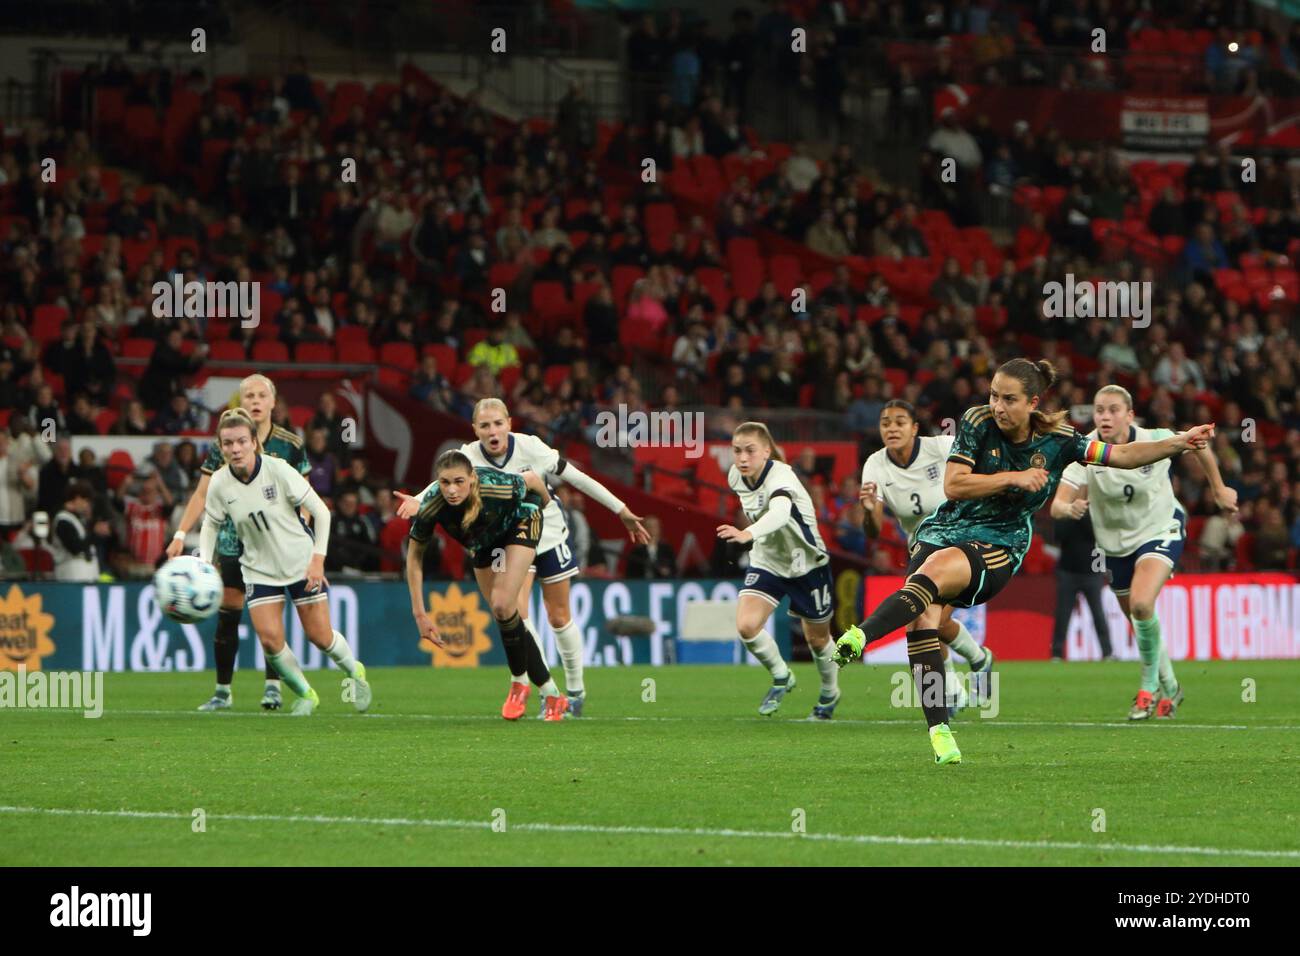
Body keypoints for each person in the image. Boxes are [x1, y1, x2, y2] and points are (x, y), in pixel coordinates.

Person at [834, 359, 1215, 765]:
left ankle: (861, 635)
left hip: (1000, 542)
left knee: (935, 573)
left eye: (1009, 399)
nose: (998, 405)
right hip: (943, 528)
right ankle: (940, 730)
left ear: (1032, 402)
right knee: (922, 620)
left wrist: (1179, 441)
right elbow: (954, 485)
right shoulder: (977, 421)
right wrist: (1012, 478)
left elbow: (1120, 454)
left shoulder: (1061, 440)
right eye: (994, 395)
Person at [398, 398, 650, 717]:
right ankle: (543, 691)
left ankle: (575, 692)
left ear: (509, 423)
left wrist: (621, 510)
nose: (492, 431)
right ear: (475, 430)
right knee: (515, 612)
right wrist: (418, 500)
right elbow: (446, 482)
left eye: (498, 423)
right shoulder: (468, 456)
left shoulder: (532, 447)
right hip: (507, 534)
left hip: (547, 524)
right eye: (485, 425)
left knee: (558, 616)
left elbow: (575, 477)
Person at [1051, 384, 1237, 719]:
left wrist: (1219, 488)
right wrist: (1069, 509)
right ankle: (1171, 686)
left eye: (1113, 410)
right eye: (1099, 410)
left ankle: (1147, 688)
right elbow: (1058, 504)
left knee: (1140, 603)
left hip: (1160, 528)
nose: (1105, 416)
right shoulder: (1084, 449)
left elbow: (1198, 444)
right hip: (1115, 545)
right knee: (1141, 620)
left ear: (1130, 414)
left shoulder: (1154, 438)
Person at [199, 408, 370, 716]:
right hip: (258, 568)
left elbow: (321, 512)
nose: (234, 449)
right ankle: (306, 693)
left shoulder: (278, 470)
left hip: (300, 561)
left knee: (320, 636)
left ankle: (355, 672)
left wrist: (317, 559)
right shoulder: (219, 483)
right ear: (220, 446)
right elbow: (211, 523)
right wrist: (205, 561)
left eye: (240, 441)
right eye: (227, 443)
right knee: (269, 640)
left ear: (254, 441)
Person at [166, 374, 311, 712]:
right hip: (232, 542)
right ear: (240, 403)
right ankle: (222, 692)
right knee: (228, 614)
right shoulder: (226, 444)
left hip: (275, 546)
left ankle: (273, 687)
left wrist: (302, 537)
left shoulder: (290, 443)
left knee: (270, 620)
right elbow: (202, 493)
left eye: (262, 395)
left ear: (273, 402)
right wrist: (179, 534)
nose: (255, 401)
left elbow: (306, 498)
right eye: (248, 396)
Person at [404, 450, 570, 721]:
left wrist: (548, 506)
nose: (452, 490)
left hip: (521, 520)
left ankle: (519, 683)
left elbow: (531, 480)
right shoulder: (433, 505)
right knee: (505, 615)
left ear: (472, 478)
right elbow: (414, 558)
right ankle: (552, 694)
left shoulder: (496, 485)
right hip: (485, 543)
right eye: (445, 482)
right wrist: (419, 614)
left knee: (504, 604)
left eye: (459, 481)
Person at [859, 400, 993, 716]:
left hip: (962, 542)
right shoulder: (875, 465)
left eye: (899, 422)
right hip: (922, 549)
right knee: (931, 621)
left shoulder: (942, 447)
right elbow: (873, 531)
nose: (891, 428)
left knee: (930, 619)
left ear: (915, 427)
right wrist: (868, 512)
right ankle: (972, 668)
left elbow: (980, 474)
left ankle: (954, 688)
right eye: (885, 423)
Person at [716, 422, 843, 719]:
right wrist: (755, 539)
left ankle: (829, 692)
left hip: (807, 562)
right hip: (768, 560)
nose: (742, 458)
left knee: (818, 640)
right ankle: (782, 675)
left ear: (766, 451)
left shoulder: (781, 476)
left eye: (750, 451)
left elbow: (780, 513)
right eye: (737, 451)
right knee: (747, 626)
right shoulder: (736, 475)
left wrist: (748, 533)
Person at [1047, 504, 1113, 661]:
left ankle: (1107, 653)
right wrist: (1072, 514)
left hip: (1092, 571)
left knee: (1098, 614)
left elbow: (1097, 535)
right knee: (1063, 615)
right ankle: (1056, 654)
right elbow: (1059, 536)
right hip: (1067, 571)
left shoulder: (1095, 509)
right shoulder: (1062, 509)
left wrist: (1081, 516)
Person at [50, 481, 101, 581]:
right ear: (77, 498)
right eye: (86, 501)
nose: (87, 506)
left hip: (86, 576)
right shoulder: (63, 520)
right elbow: (75, 547)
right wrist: (94, 534)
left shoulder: (79, 519)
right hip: (71, 575)